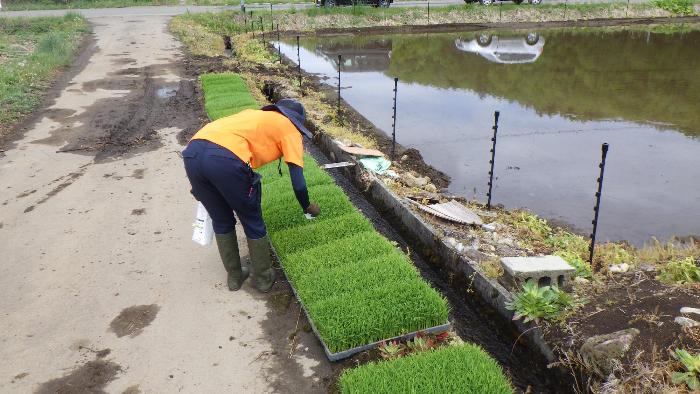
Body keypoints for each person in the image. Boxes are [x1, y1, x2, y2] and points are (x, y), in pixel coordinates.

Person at [182, 99, 320, 293]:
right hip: (225, 160)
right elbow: (298, 182)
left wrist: (202, 188)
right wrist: (307, 206)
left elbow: (206, 151)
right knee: (252, 220)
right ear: (296, 121)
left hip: (192, 154)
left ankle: (235, 277)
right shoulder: (290, 129)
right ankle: (264, 278)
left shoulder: (253, 115)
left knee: (221, 220)